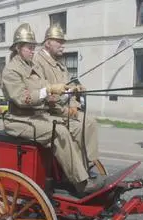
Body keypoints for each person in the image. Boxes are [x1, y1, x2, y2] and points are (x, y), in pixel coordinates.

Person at [1, 23, 109, 195]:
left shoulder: (31, 66)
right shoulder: (11, 70)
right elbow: (23, 98)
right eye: (29, 48)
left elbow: (45, 88)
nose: (32, 51)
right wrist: (48, 91)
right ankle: (81, 183)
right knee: (60, 132)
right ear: (17, 47)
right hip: (19, 120)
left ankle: (76, 172)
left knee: (73, 126)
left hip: (37, 116)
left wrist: (64, 90)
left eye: (33, 47)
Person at [32, 24, 100, 169]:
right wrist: (65, 108)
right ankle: (75, 169)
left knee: (91, 122)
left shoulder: (60, 64)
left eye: (63, 42)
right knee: (78, 126)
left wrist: (75, 97)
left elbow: (68, 87)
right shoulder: (38, 62)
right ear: (48, 42)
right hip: (50, 111)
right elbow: (42, 92)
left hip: (66, 109)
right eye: (59, 42)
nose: (63, 46)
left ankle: (88, 162)